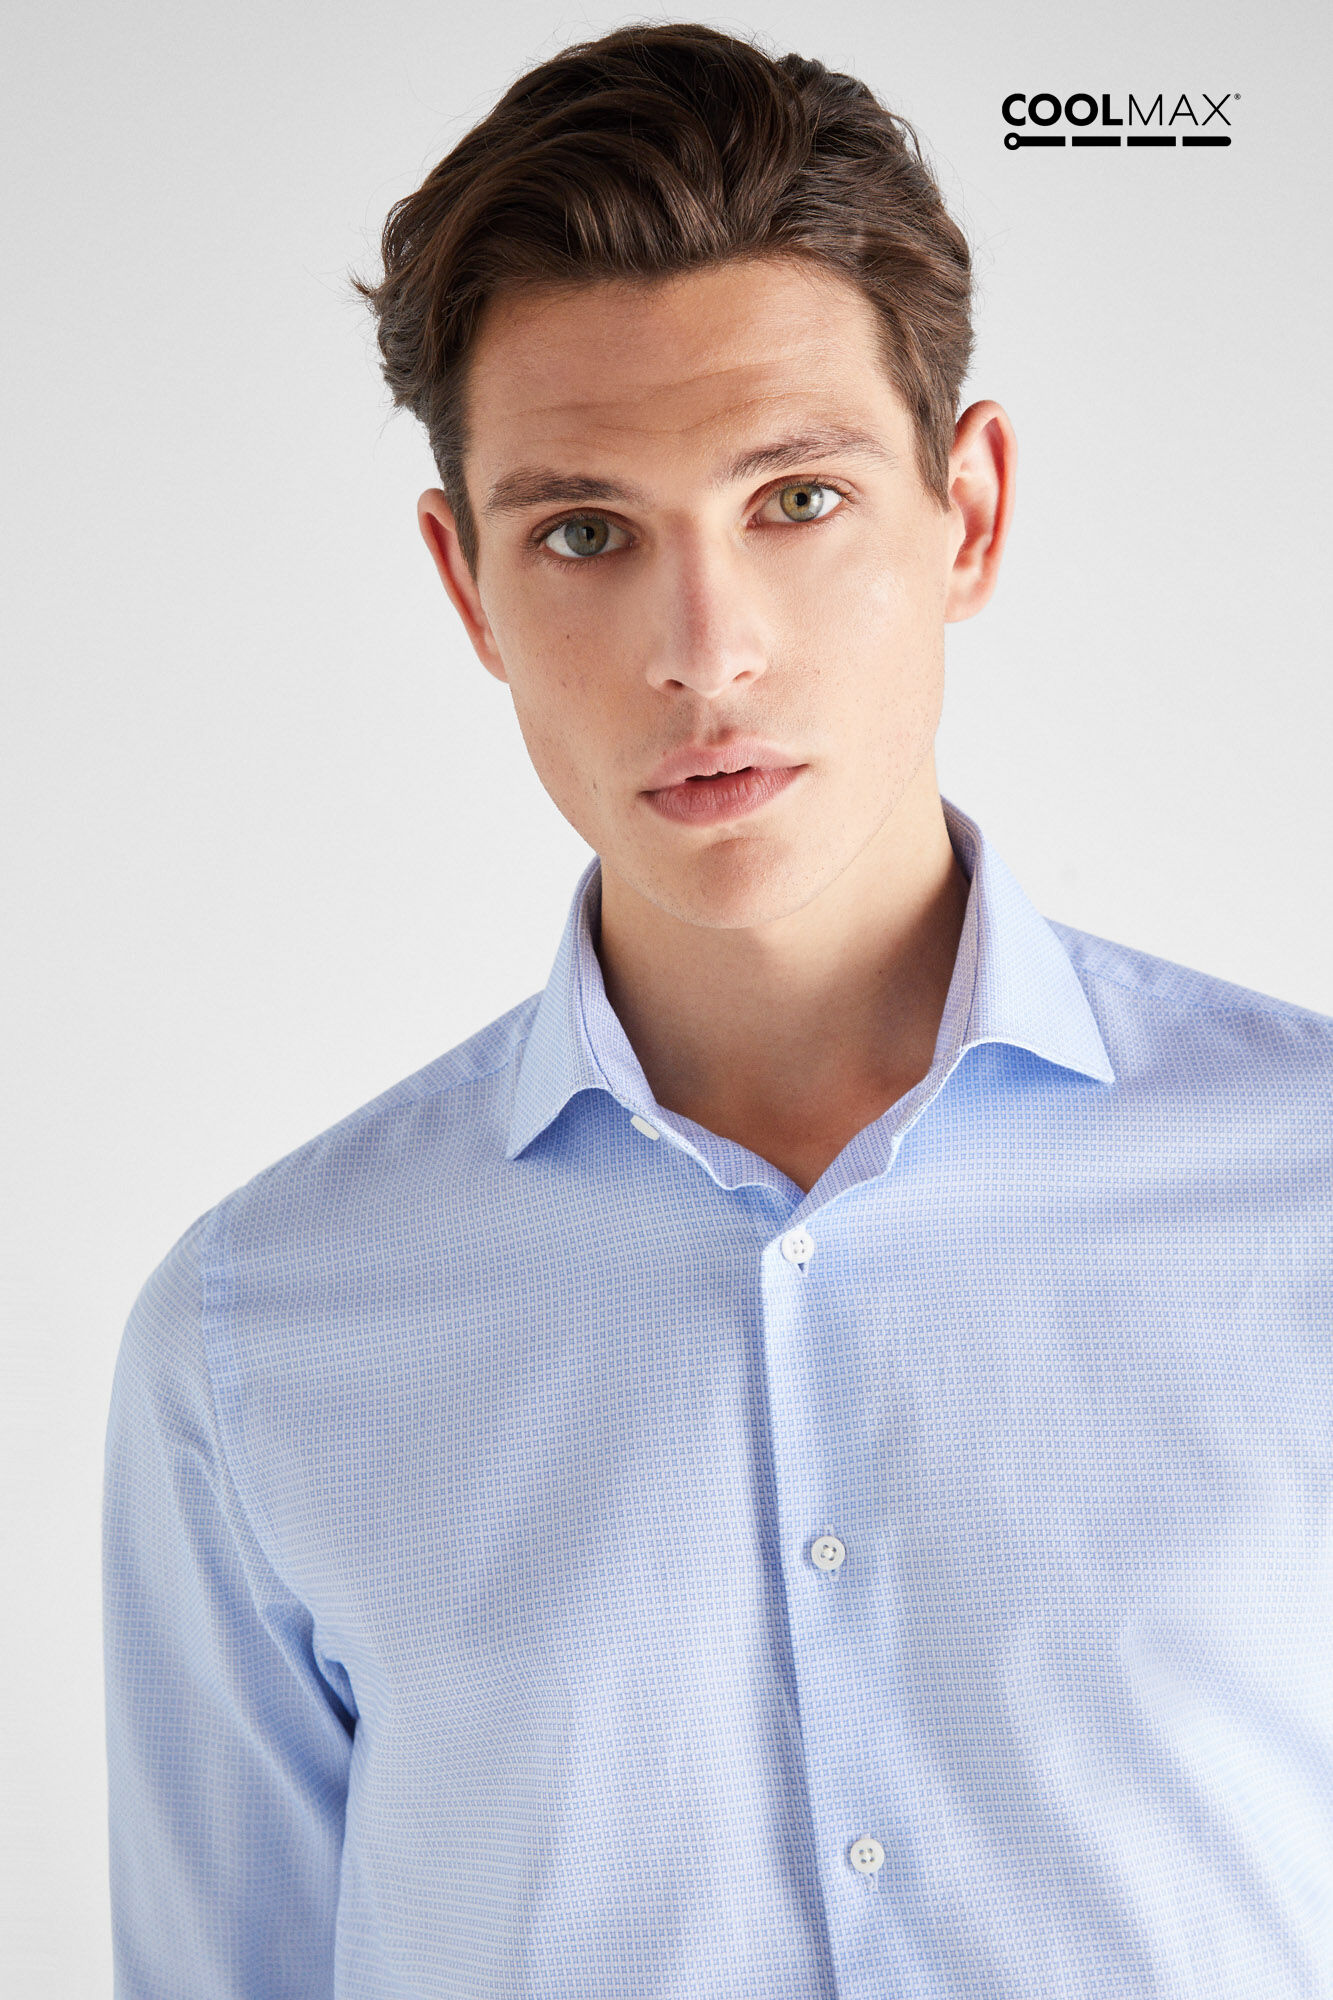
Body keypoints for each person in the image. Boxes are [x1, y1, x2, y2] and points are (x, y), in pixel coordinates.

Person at [102, 21, 1332, 1998]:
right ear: (469, 587)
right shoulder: (256, 1342)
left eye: (796, 499)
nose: (705, 650)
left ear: (969, 510)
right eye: (585, 533)